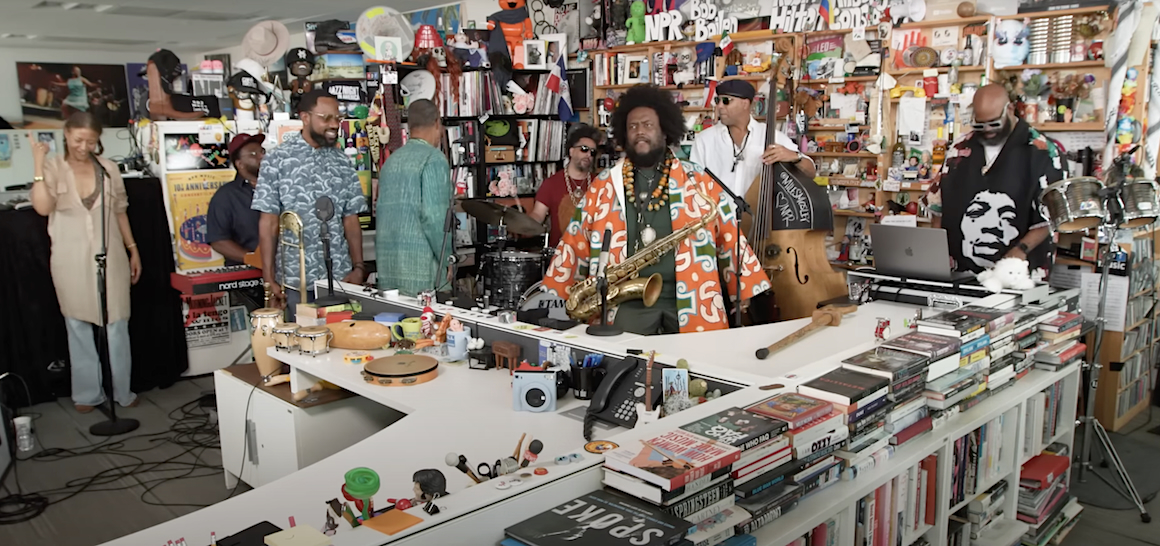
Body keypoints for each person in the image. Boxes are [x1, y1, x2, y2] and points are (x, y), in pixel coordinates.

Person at [543, 85, 771, 335]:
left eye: (648, 125)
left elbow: (729, 234)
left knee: (699, 366)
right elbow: (577, 238)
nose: (640, 131)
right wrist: (563, 289)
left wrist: (744, 291)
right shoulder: (605, 183)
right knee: (623, 361)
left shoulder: (698, 180)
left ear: (665, 130)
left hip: (694, 298)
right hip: (625, 302)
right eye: (632, 126)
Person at [27, 113, 141, 413]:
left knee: (117, 322)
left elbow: (120, 211)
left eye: (91, 141)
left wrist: (133, 249)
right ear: (66, 135)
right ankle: (88, 393)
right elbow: (42, 207)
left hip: (110, 254)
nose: (84, 146)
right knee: (77, 324)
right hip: (69, 258)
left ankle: (122, 391)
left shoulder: (108, 169)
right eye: (78, 140)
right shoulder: (54, 167)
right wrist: (38, 164)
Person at [922, 84, 1063, 273]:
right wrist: (936, 256)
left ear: (1010, 109)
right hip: (960, 273)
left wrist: (1020, 250)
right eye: (980, 125)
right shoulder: (959, 148)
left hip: (1017, 273)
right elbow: (937, 207)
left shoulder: (1042, 152)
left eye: (994, 123)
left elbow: (1053, 217)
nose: (987, 130)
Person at [253, 90, 368, 314]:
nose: (334, 124)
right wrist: (268, 277)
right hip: (295, 281)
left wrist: (359, 267)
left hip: (341, 278)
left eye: (337, 118)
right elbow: (268, 223)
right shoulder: (277, 160)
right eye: (326, 118)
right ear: (305, 117)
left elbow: (351, 218)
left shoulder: (342, 162)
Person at [376, 99, 452, 297]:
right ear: (437, 123)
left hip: (389, 275)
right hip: (423, 275)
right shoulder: (433, 159)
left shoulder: (391, 162)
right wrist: (448, 260)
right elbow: (435, 220)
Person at [690, 79, 814, 198]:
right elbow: (693, 183)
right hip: (717, 219)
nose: (720, 106)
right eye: (718, 100)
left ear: (745, 104)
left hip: (757, 217)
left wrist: (794, 157)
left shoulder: (770, 135)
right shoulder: (704, 140)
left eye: (726, 101)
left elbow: (811, 172)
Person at [530, 124, 601, 248]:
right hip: (559, 256)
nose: (588, 154)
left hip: (592, 255)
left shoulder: (600, 183)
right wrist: (517, 222)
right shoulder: (551, 183)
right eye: (584, 149)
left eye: (592, 152)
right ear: (571, 151)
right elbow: (538, 215)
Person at [207, 133, 264, 266]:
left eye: (262, 151)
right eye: (253, 154)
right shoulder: (225, 196)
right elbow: (218, 240)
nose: (262, 156)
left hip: (287, 273)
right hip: (247, 276)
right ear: (240, 164)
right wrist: (251, 258)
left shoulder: (280, 188)